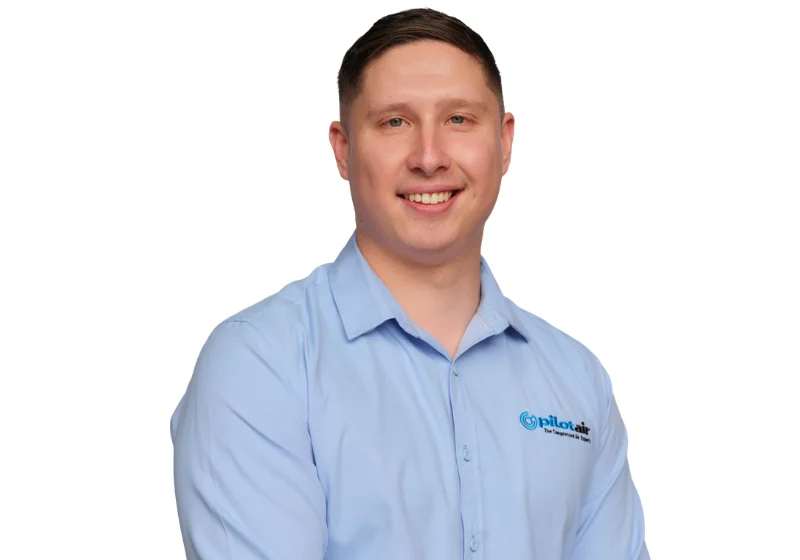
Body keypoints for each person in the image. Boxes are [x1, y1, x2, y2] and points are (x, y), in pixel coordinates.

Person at [170, 7, 649, 559]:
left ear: (504, 142)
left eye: (459, 120)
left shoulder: (578, 380)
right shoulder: (260, 364)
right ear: (343, 149)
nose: (429, 158)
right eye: (395, 122)